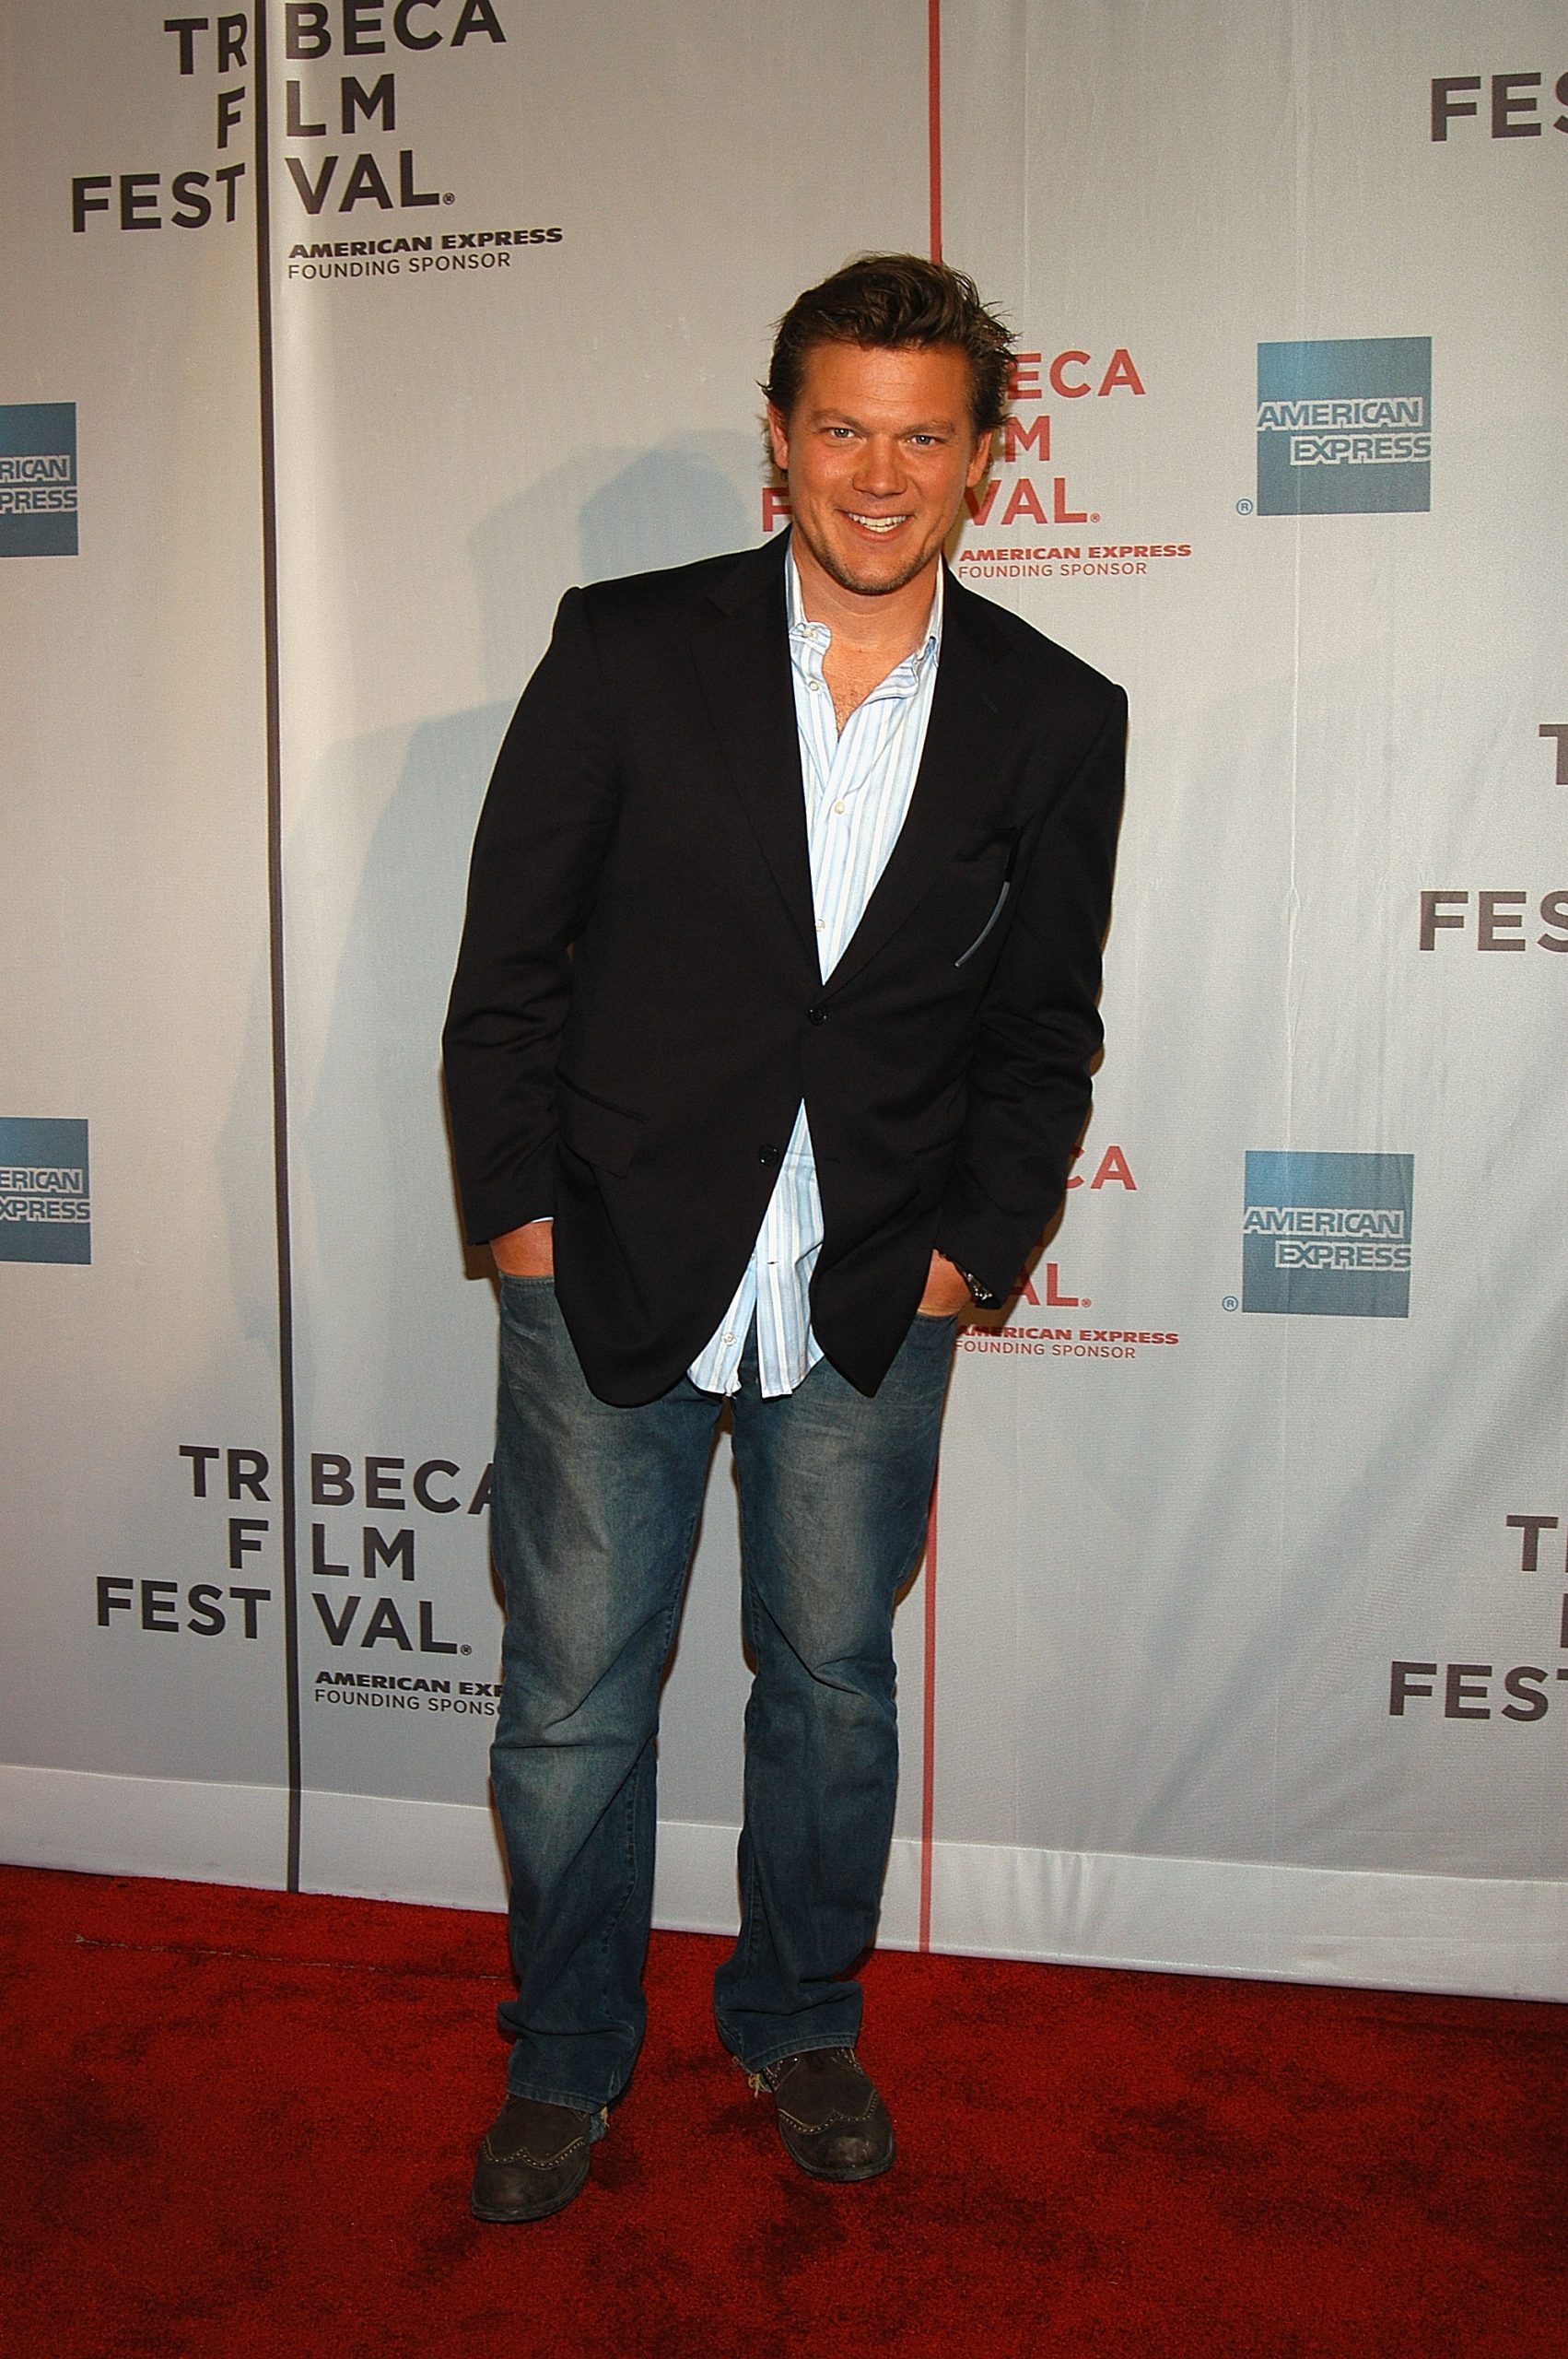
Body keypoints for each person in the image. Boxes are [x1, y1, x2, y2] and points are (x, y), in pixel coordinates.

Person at [442, 252, 1126, 2221]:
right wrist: (519, 1226)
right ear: (779, 436)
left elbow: (1043, 1027)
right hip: (608, 1264)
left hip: (871, 1282)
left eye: (921, 438)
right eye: (841, 428)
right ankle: (566, 2051)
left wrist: (969, 1255)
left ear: (982, 457)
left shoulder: (1055, 712)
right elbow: (507, 970)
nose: (877, 475)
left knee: (828, 1684)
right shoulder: (624, 648)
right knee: (573, 1696)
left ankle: (801, 2019)